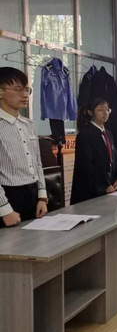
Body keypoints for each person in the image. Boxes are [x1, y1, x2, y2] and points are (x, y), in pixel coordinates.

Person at [0, 67, 48, 228]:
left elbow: (37, 163)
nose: (25, 95)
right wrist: (4, 209)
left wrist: (42, 197)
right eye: (18, 89)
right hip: (8, 196)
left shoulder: (29, 125)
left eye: (27, 90)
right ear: (1, 92)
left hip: (33, 195)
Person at [70, 98, 117, 204]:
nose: (105, 113)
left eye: (107, 109)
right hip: (90, 192)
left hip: (110, 188)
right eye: (100, 110)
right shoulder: (84, 135)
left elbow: (114, 159)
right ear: (90, 112)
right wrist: (103, 186)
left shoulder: (108, 134)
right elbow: (86, 166)